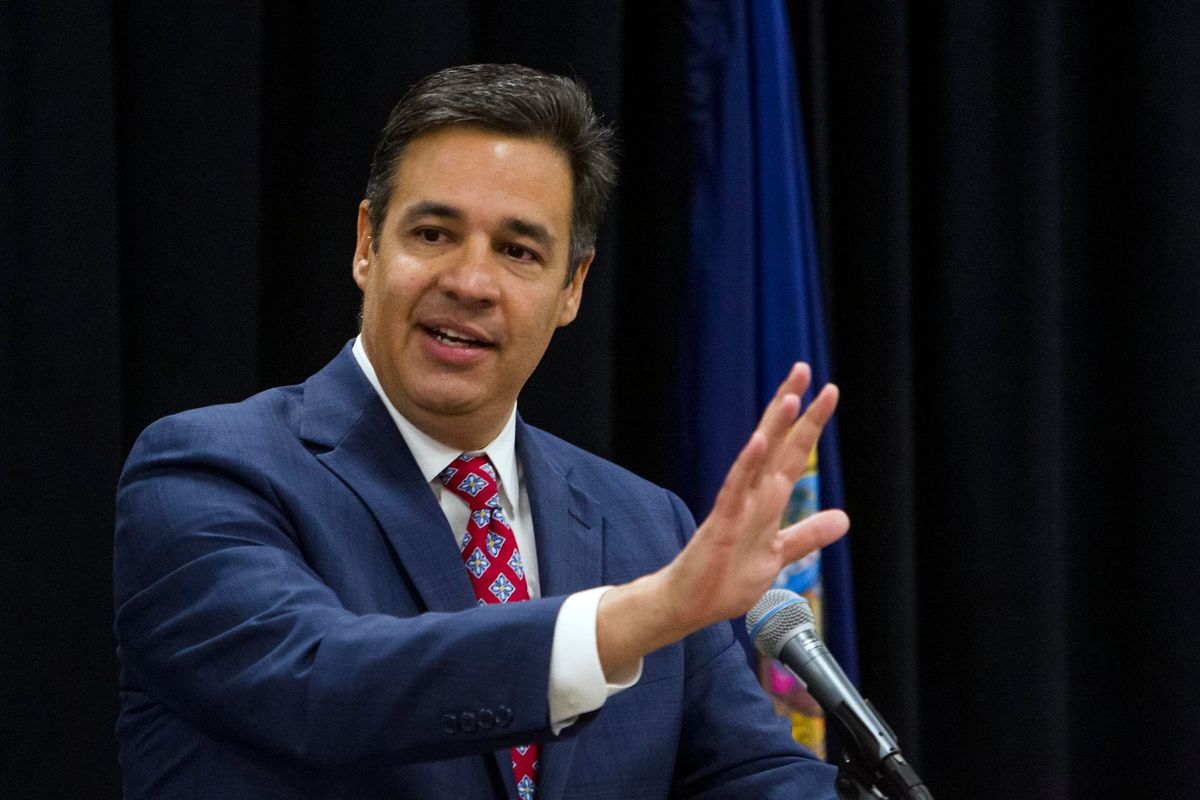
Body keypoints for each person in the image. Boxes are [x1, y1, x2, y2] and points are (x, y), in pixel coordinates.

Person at [113, 63, 850, 799]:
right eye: (434, 233)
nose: (470, 282)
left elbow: (751, 773)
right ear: (368, 244)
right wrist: (640, 616)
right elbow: (323, 682)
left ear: (573, 287)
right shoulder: (206, 471)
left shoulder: (646, 524)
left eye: (518, 251)